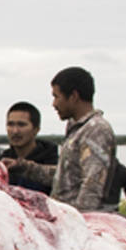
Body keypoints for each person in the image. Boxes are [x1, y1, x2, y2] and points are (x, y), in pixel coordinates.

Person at [10, 67, 114, 210]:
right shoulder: (78, 129)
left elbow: (92, 188)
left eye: (56, 96)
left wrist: (78, 225)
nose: (54, 104)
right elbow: (66, 177)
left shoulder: (96, 130)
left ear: (73, 96)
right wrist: (24, 167)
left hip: (78, 225)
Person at [0, 100, 58, 192]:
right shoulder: (1, 163)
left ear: (36, 129)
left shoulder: (54, 163)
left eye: (21, 125)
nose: (15, 131)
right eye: (10, 124)